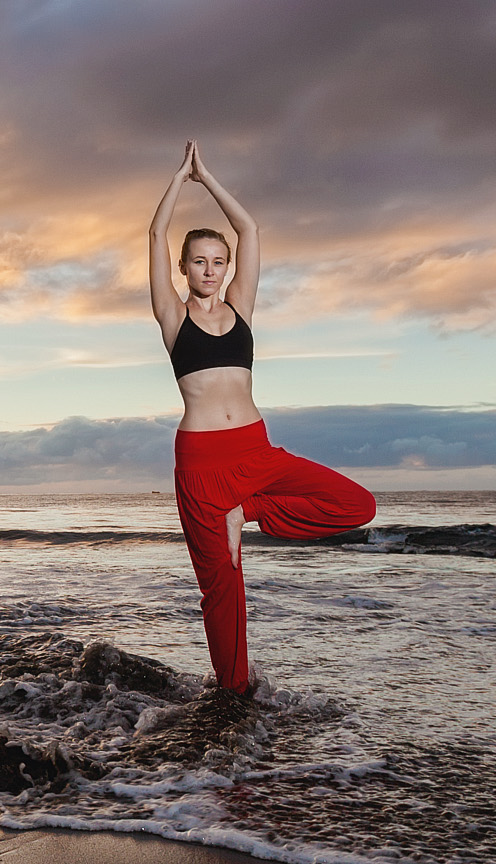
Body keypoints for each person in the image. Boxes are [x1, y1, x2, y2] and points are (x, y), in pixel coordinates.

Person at [149, 141, 377, 695]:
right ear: (183, 268)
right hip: (202, 464)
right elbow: (154, 236)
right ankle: (234, 695)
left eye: (218, 261)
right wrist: (180, 179)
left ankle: (246, 513)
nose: (210, 269)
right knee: (223, 591)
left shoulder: (241, 307)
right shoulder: (173, 317)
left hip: (256, 453)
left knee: (358, 504)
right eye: (198, 261)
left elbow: (250, 230)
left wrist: (209, 177)